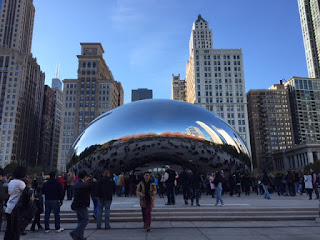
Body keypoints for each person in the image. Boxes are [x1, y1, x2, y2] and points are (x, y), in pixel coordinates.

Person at [4, 166, 26, 240]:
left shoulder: (11, 182)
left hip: (9, 207)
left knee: (9, 229)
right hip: (15, 209)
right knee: (16, 230)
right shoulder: (21, 183)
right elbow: (27, 193)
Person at [70, 170, 91, 240]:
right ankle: (75, 232)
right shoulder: (81, 184)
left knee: (80, 220)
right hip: (81, 204)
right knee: (86, 219)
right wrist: (90, 182)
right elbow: (88, 185)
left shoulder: (78, 183)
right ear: (84, 177)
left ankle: (80, 236)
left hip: (78, 204)